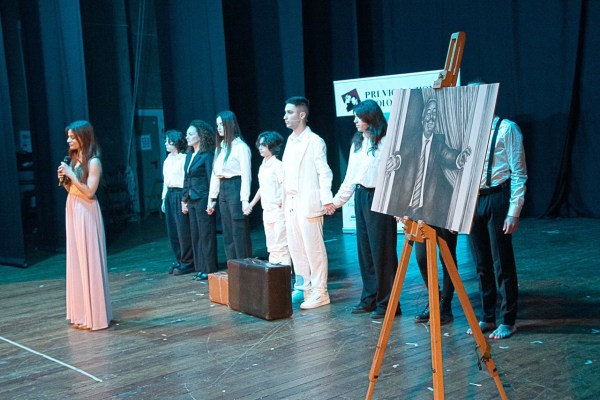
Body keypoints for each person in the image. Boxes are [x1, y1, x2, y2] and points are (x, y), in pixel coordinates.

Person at [466, 80, 528, 340]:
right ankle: (488, 316)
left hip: (497, 198)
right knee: (481, 263)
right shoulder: (468, 131)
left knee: (501, 261)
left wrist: (514, 211)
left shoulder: (507, 129)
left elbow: (519, 173)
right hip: (473, 201)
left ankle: (508, 320)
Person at [329, 99, 400, 319]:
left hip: (380, 198)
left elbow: (394, 176)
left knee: (382, 252)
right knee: (365, 251)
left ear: (371, 117)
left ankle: (388, 303)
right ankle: (370, 297)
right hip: (361, 196)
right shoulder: (358, 142)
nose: (355, 121)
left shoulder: (386, 142)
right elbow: (350, 177)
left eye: (359, 117)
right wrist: (336, 202)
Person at [57, 120, 112, 331]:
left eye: (72, 136)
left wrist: (71, 174)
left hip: (86, 210)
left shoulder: (94, 161)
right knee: (78, 259)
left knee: (89, 259)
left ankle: (95, 315)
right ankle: (81, 313)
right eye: (68, 136)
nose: (68, 140)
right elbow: (73, 189)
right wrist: (65, 180)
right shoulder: (74, 160)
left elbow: (89, 192)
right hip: (73, 207)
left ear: (83, 137)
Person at [282, 96, 334, 310]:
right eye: (285, 113)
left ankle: (320, 291)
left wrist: (327, 199)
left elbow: (324, 172)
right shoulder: (290, 140)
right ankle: (304, 287)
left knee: (314, 248)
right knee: (296, 247)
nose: (285, 117)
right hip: (291, 201)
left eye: (290, 112)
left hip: (308, 200)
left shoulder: (314, 141)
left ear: (302, 115)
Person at [385, 97, 471, 228]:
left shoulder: (438, 144)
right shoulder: (413, 140)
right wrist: (396, 160)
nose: (431, 117)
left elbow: (447, 154)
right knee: (412, 240)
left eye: (434, 113)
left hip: (426, 210)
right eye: (428, 112)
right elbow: (403, 153)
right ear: (422, 118)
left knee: (427, 239)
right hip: (407, 207)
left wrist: (459, 158)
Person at [207, 111, 252, 261]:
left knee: (238, 228)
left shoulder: (241, 147)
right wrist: (212, 199)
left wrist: (244, 199)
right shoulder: (220, 148)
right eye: (217, 125)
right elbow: (215, 175)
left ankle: (244, 265)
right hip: (223, 188)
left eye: (222, 124)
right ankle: (232, 265)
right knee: (227, 230)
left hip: (235, 187)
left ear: (230, 124)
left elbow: (246, 175)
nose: (219, 128)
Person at [244, 131, 291, 266]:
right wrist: (251, 204)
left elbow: (284, 184)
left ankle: (285, 271)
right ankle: (274, 272)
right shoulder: (262, 166)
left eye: (263, 145)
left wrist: (281, 199)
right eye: (259, 145)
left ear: (272, 146)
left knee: (281, 243)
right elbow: (262, 188)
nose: (260, 148)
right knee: (271, 244)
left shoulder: (278, 165)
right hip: (267, 210)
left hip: (278, 210)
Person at [182, 120, 217, 280]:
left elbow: (211, 179)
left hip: (203, 198)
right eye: (187, 134)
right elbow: (186, 179)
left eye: (190, 134)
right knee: (195, 234)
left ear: (200, 136)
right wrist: (184, 199)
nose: (187, 137)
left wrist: (212, 200)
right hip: (192, 199)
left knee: (206, 234)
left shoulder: (207, 155)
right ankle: (200, 267)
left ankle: (209, 268)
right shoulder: (189, 155)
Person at [161, 129, 194, 275]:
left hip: (180, 194)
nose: (166, 144)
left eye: (169, 141)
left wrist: (184, 198)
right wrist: (163, 199)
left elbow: (186, 180)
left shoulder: (184, 159)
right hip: (170, 194)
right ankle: (180, 259)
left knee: (183, 230)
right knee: (173, 231)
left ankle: (188, 261)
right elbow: (165, 182)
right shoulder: (167, 160)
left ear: (176, 143)